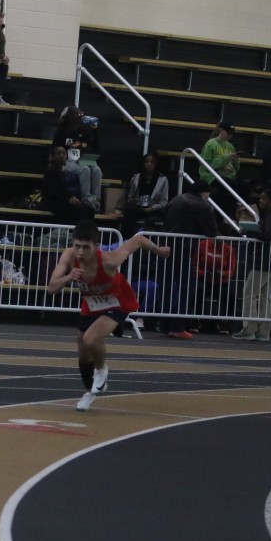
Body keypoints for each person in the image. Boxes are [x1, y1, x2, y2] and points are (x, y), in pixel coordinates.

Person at [46, 220, 170, 412]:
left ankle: (101, 369)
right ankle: (89, 392)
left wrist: (158, 250)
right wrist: (68, 277)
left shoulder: (110, 260)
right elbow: (51, 287)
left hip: (118, 301)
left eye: (86, 247)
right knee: (83, 349)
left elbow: (138, 240)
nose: (80, 252)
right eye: (77, 246)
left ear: (95, 246)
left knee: (90, 339)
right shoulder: (69, 256)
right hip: (92, 303)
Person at [160, 179, 220, 338]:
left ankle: (165, 325)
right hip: (184, 249)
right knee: (186, 288)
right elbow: (212, 232)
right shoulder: (202, 206)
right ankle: (177, 326)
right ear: (204, 193)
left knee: (167, 288)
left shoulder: (176, 199)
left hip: (166, 246)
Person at [233, 190, 271, 342]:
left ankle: (249, 329)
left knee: (249, 292)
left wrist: (250, 231)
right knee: (265, 297)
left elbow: (267, 236)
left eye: (263, 199)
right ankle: (263, 332)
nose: (260, 201)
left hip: (264, 262)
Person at [52, 105, 103, 210]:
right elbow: (55, 148)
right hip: (66, 161)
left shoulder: (82, 129)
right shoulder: (62, 131)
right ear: (69, 117)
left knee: (97, 170)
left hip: (79, 160)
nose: (79, 116)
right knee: (85, 169)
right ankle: (86, 199)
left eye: (80, 113)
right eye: (76, 114)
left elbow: (95, 146)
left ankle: (96, 200)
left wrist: (94, 130)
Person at [199, 121, 246, 210]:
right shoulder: (210, 144)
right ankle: (234, 208)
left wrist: (236, 160)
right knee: (230, 185)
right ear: (221, 130)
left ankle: (243, 208)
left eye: (231, 134)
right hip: (212, 177)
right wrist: (225, 159)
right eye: (228, 133)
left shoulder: (230, 146)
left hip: (227, 176)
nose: (230, 136)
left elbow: (236, 168)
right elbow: (206, 165)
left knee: (244, 185)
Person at [41, 146, 93, 225]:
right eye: (59, 154)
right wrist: (68, 200)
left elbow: (64, 190)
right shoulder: (51, 171)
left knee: (88, 209)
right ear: (53, 157)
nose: (62, 155)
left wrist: (73, 197)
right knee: (83, 210)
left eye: (64, 153)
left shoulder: (61, 171)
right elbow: (54, 193)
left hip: (61, 200)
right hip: (52, 203)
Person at [122, 153, 169, 235]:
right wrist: (135, 202)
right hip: (139, 208)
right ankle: (126, 238)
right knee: (129, 211)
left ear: (156, 164)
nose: (149, 164)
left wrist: (153, 208)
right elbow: (130, 197)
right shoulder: (136, 178)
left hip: (154, 209)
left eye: (152, 162)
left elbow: (164, 201)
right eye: (147, 162)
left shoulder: (163, 179)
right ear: (143, 163)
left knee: (160, 214)